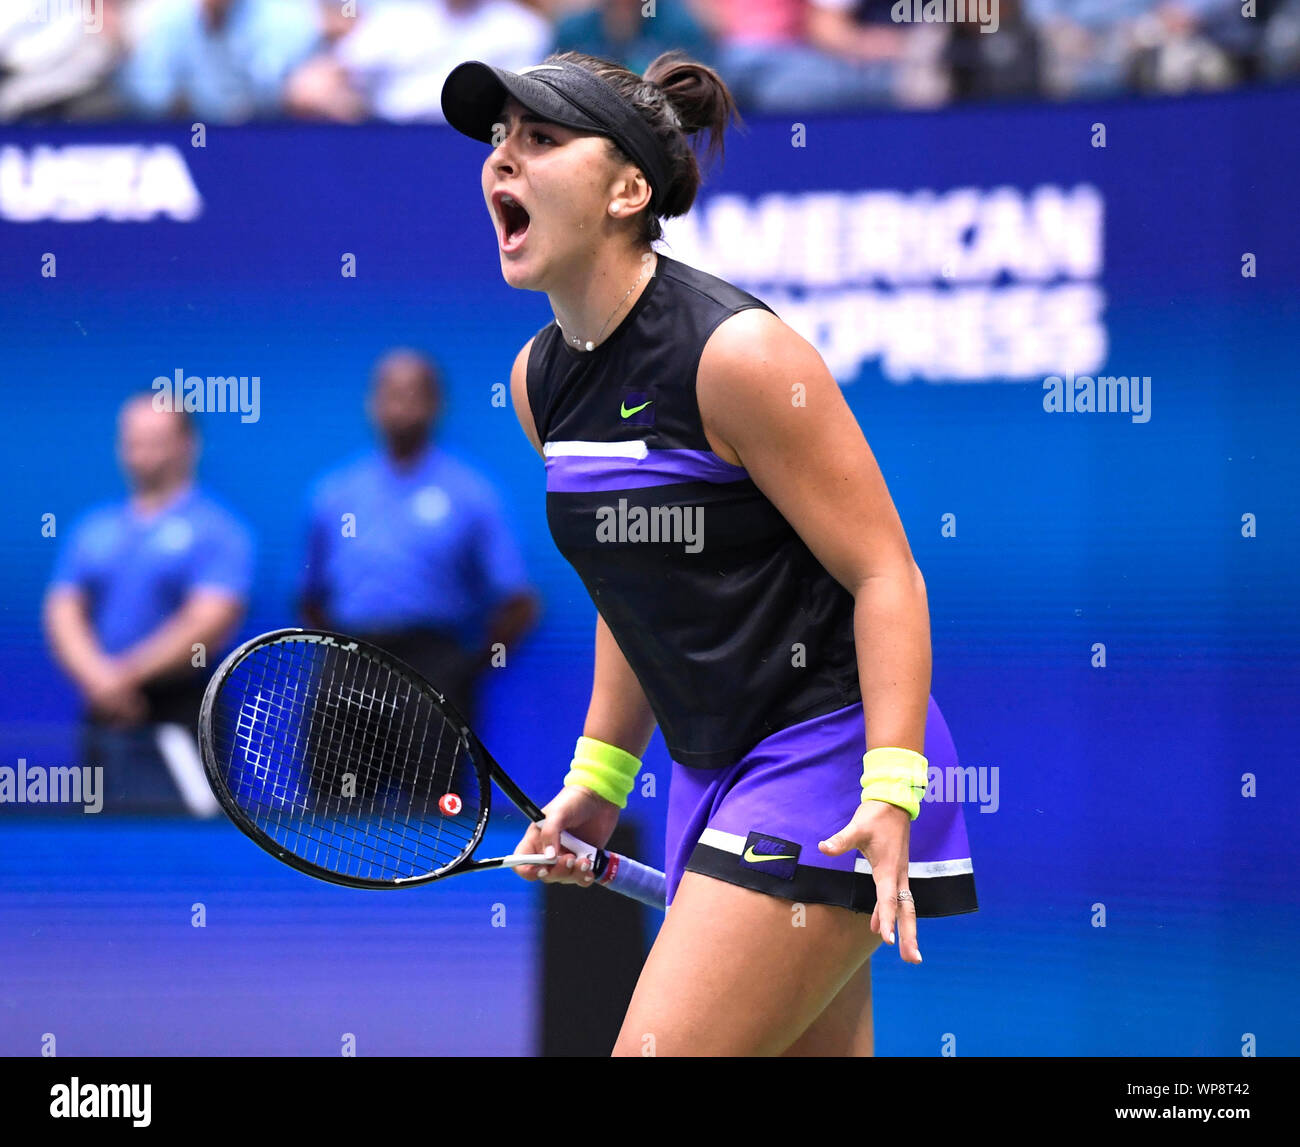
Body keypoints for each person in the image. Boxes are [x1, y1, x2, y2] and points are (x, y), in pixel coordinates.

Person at [440, 49, 978, 1056]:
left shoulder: (737, 355)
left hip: (826, 760)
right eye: (499, 141)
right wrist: (598, 785)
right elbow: (630, 588)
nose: (503, 161)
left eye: (541, 140)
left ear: (627, 190)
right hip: (713, 772)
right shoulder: (537, 383)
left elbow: (885, 573)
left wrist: (889, 789)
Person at [300, 348, 538, 729]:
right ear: (371, 403)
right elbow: (307, 596)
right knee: (340, 789)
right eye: (390, 393)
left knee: (433, 790)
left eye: (414, 393)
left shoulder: (472, 493)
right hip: (350, 666)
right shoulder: (333, 493)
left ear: (436, 404)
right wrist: (344, 653)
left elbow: (519, 603)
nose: (401, 405)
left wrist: (466, 670)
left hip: (434, 669)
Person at [44, 396, 253, 814]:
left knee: (189, 846)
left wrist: (127, 676)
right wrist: (100, 680)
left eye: (154, 439)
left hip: (182, 712)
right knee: (98, 843)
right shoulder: (92, 529)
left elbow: (210, 616)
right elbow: (63, 609)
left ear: (187, 445)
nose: (140, 451)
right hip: (105, 712)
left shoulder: (219, 530)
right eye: (132, 439)